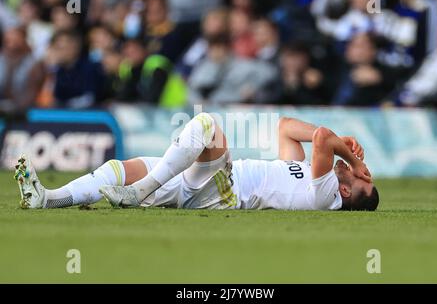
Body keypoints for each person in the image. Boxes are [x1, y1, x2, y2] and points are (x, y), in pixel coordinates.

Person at [16, 113, 379, 211]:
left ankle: (140, 192)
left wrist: (347, 152)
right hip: (208, 184)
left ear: (345, 191)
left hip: (225, 192)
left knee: (207, 126)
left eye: (364, 178)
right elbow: (286, 128)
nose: (362, 171)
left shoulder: (323, 194)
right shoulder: (303, 174)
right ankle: (48, 198)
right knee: (122, 169)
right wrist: (339, 144)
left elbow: (321, 140)